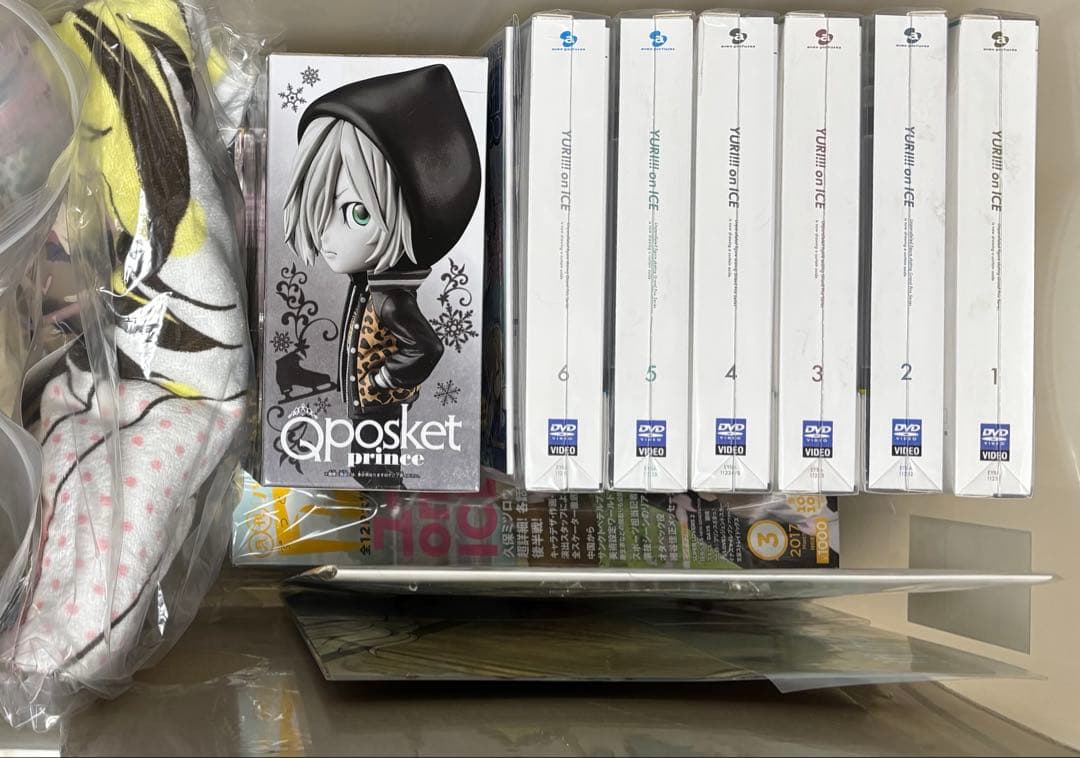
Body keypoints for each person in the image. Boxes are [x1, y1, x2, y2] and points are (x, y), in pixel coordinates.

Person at [283, 64, 481, 488]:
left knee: (376, 472)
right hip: (366, 404)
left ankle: (391, 507)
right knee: (366, 470)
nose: (326, 235)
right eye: (319, 209)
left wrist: (382, 380)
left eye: (357, 213)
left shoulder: (390, 299)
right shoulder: (369, 286)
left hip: (378, 406)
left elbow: (427, 347)